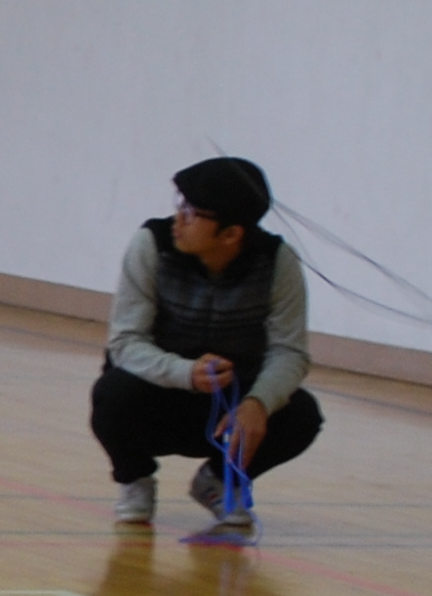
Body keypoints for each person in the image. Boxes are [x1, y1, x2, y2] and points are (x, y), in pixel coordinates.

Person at [92, 157, 325, 537]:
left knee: (301, 414)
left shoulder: (277, 261)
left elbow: (290, 351)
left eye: (192, 212)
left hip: (228, 406)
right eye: (180, 204)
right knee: (112, 394)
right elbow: (125, 342)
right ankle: (135, 478)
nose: (178, 219)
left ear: (231, 234)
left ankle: (218, 479)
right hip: (158, 395)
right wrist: (185, 372)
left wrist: (258, 402)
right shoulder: (151, 244)